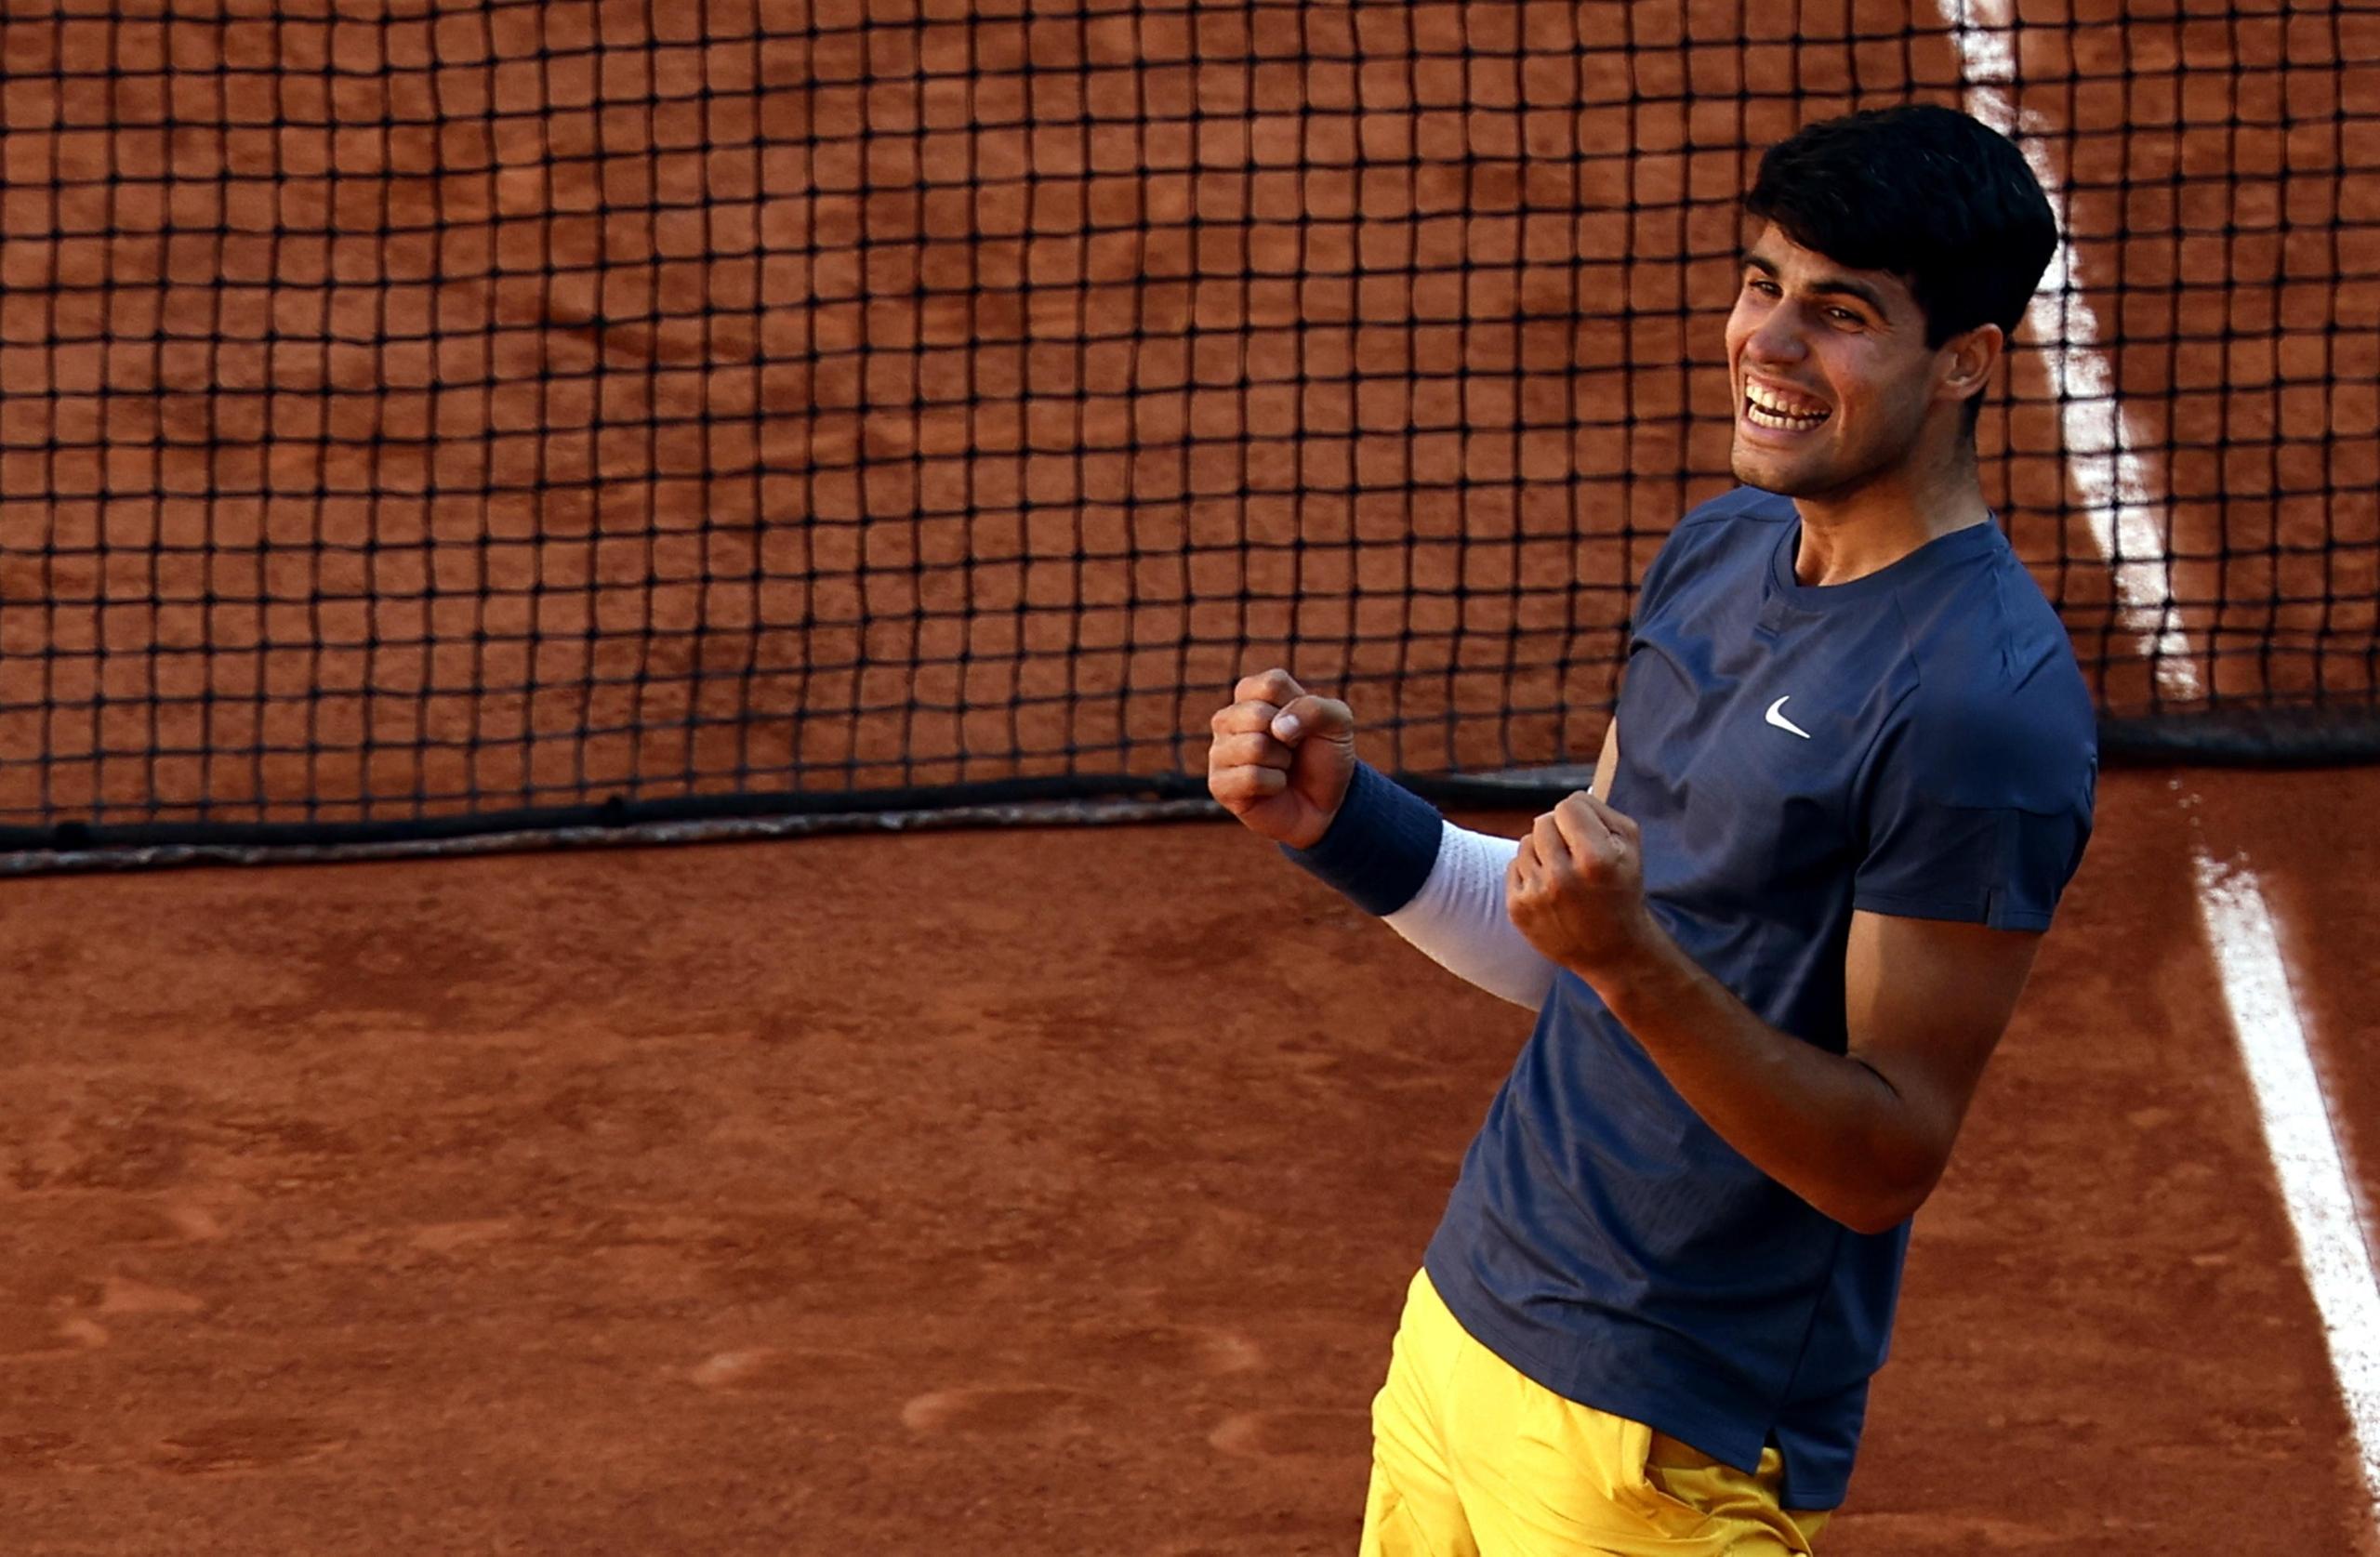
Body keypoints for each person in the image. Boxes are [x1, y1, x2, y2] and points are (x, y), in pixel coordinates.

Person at [1206, 104, 2097, 1555]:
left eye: (1842, 314)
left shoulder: (1978, 706)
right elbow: (1579, 937)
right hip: (1467, 1324)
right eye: (1762, 285)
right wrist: (1346, 828)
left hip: (1661, 1432)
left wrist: (1631, 964)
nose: (1769, 342)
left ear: (1967, 364)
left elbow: (1884, 1157)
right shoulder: (1722, 547)